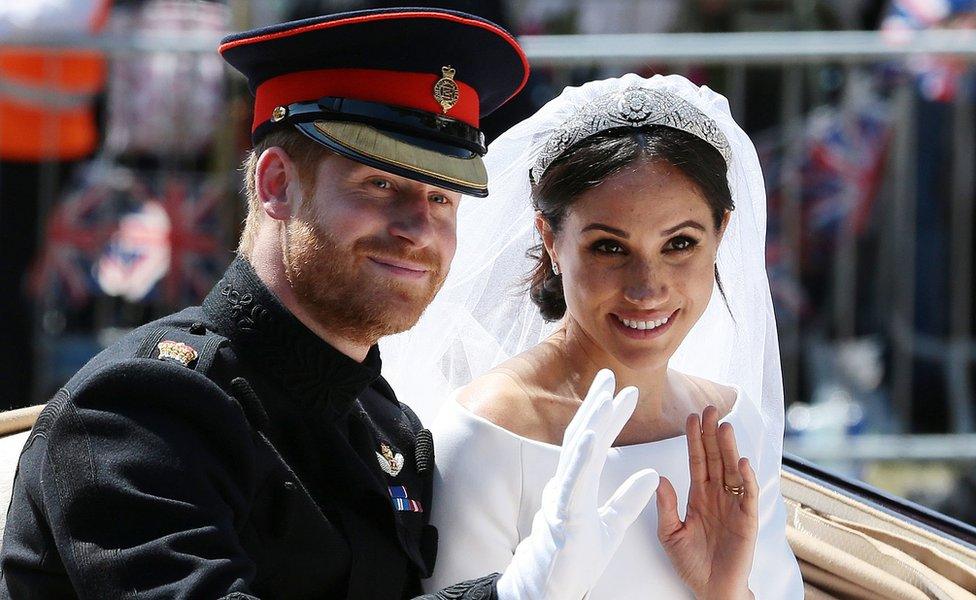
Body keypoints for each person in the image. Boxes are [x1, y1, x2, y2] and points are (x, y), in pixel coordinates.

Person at [0, 10, 662, 599]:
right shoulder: (141, 413)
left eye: (441, 199)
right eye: (381, 184)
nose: (419, 228)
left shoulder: (387, 428)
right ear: (275, 184)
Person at [381, 73, 805, 598]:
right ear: (551, 241)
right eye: (609, 247)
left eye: (679, 244)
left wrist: (723, 591)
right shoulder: (489, 434)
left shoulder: (731, 425)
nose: (647, 288)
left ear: (721, 231)